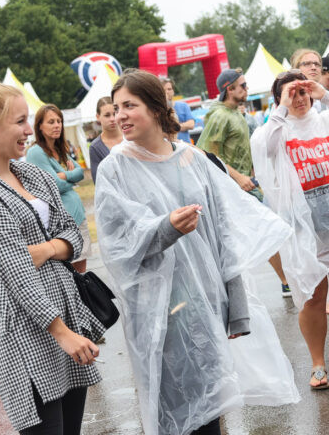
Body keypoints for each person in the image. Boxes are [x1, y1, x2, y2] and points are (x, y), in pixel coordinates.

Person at [95, 69, 298, 435]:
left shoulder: (194, 160)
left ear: (156, 108)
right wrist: (165, 228)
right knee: (172, 409)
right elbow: (117, 243)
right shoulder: (115, 169)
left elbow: (223, 234)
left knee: (211, 405)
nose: (120, 115)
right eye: (115, 107)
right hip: (157, 310)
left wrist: (237, 307)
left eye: (129, 105)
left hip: (205, 303)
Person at [0, 64, 104, 434]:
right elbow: (16, 270)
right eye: (20, 122)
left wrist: (48, 249)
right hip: (19, 329)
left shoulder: (31, 173)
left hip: (62, 316)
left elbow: (74, 233)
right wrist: (62, 333)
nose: (28, 130)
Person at [251, 70, 329, 389]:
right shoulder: (275, 130)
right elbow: (265, 150)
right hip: (304, 225)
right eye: (290, 94)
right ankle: (318, 363)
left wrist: (323, 92)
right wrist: (281, 110)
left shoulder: (323, 120)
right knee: (313, 296)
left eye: (302, 92)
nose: (298, 98)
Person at [197, 68, 290, 297]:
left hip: (246, 185)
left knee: (268, 230)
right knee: (266, 230)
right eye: (244, 85)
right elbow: (205, 152)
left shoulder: (236, 113)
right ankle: (284, 281)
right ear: (230, 89)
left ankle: (284, 280)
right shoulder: (219, 116)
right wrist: (237, 178)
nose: (247, 89)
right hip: (229, 188)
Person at [26, 104, 91, 273]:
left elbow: (80, 173)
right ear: (40, 126)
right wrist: (69, 177)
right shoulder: (36, 152)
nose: (57, 125)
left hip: (78, 216)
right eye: (51, 122)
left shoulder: (59, 149)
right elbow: (53, 185)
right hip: (62, 222)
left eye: (59, 121)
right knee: (71, 274)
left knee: (82, 273)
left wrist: (65, 176)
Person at [89, 97, 123, 183]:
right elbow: (98, 180)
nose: (112, 119)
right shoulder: (95, 147)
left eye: (115, 113)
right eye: (107, 115)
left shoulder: (130, 137)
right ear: (98, 117)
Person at [291, 48, 327, 112]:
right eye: (307, 64)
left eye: (317, 64)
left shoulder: (324, 93)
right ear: (296, 68)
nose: (313, 67)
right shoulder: (289, 95)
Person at [161, 78, 195, 143]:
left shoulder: (183, 106)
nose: (167, 92)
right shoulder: (158, 110)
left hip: (186, 146)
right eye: (163, 90)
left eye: (169, 89)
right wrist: (182, 126)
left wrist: (171, 127)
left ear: (173, 91)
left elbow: (191, 124)